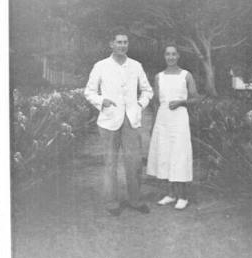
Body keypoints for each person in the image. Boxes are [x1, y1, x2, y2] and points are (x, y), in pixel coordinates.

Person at [84, 29, 153, 216]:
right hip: (108, 121)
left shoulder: (136, 66)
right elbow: (89, 91)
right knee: (110, 163)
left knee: (134, 163)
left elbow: (147, 90)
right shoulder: (100, 66)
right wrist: (101, 101)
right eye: (119, 42)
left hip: (131, 120)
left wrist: (140, 104)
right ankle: (112, 202)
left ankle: (135, 200)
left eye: (125, 42)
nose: (122, 45)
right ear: (111, 44)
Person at [147, 44, 200, 209]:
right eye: (167, 54)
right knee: (164, 154)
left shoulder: (186, 75)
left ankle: (183, 196)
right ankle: (170, 194)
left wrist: (181, 102)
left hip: (179, 119)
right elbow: (156, 102)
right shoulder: (158, 77)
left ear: (178, 56)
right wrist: (154, 124)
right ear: (164, 56)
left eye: (173, 54)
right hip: (163, 120)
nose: (170, 57)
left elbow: (196, 98)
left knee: (179, 154)